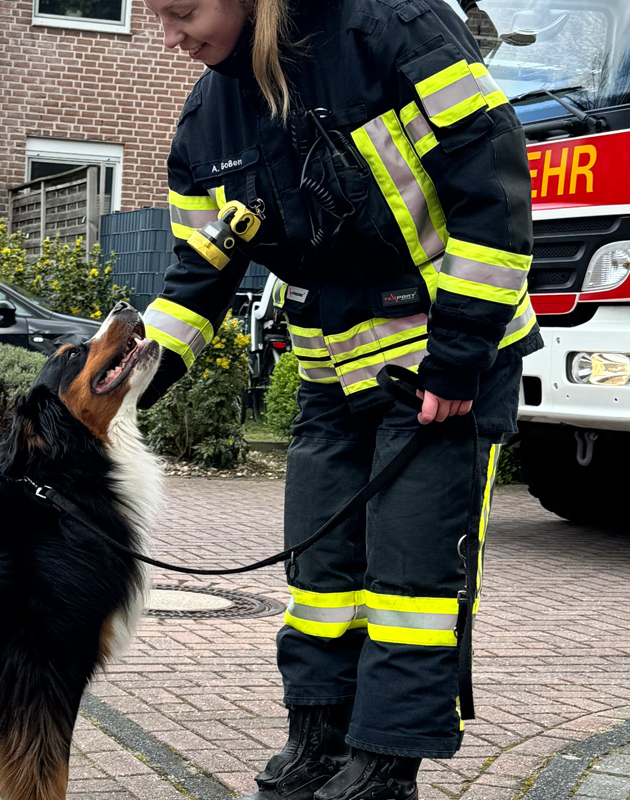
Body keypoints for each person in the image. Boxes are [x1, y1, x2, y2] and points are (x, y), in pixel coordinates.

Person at [136, 0, 543, 798]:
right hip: (332, 371)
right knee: (321, 576)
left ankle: (385, 768)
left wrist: (458, 362)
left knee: (411, 579)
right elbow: (198, 277)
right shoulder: (205, 124)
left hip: (441, 366)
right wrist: (118, 397)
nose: (170, 36)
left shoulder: (389, 27)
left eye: (181, 11)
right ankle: (317, 739)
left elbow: (493, 186)